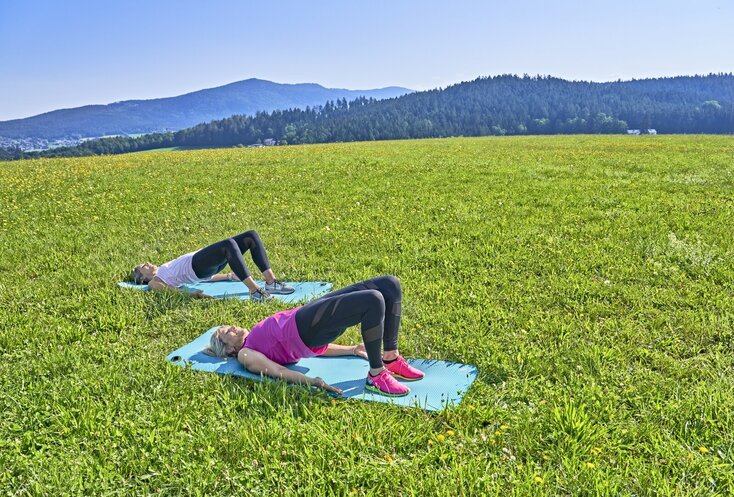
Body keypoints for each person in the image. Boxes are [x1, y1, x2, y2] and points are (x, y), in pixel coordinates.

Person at [205, 275, 425, 397]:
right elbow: (277, 371)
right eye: (228, 333)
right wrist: (314, 382)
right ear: (229, 350)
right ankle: (376, 376)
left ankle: (391, 357)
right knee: (373, 300)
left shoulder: (254, 335)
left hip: (307, 314)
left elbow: (311, 350)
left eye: (229, 326)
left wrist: (351, 349)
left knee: (390, 284)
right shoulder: (245, 353)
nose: (233, 327)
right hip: (306, 327)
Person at [132, 230, 293, 302]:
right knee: (228, 244)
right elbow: (173, 291)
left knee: (250, 236)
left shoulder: (163, 269)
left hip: (205, 267)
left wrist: (228, 276)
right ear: (143, 278)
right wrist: (195, 295)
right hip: (196, 265)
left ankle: (271, 283)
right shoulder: (154, 281)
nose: (146, 263)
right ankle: (255, 291)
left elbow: (205, 278)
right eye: (142, 267)